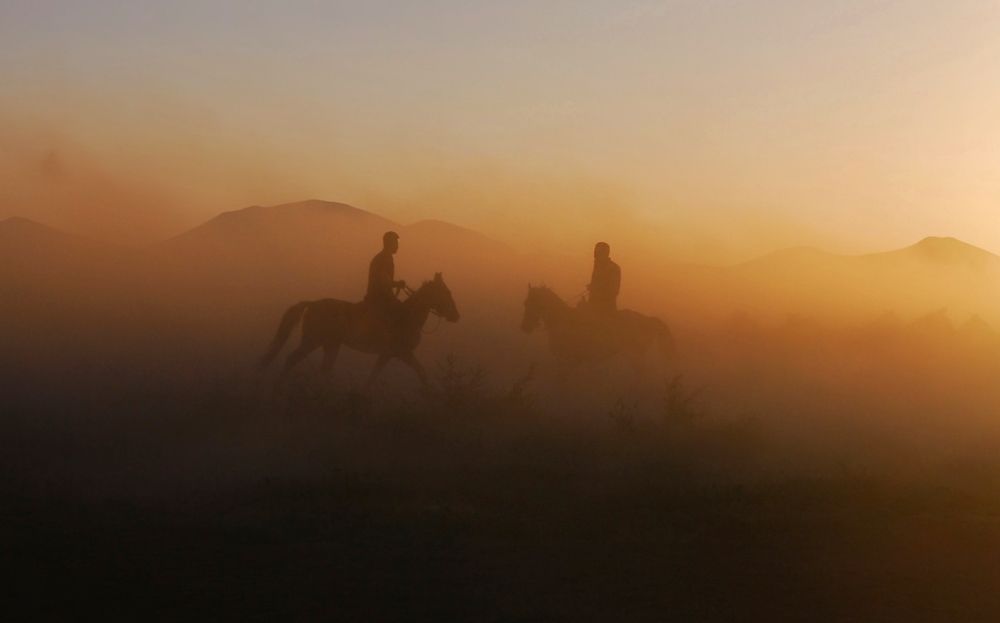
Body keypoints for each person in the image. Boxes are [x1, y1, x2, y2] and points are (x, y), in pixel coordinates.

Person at [364, 231, 407, 329]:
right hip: (378, 298)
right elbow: (383, 282)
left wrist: (396, 284)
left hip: (381, 297)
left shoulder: (384, 257)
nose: (397, 246)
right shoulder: (384, 258)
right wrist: (397, 284)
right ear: (390, 244)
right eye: (396, 243)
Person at [587, 241, 621, 315]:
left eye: (597, 253)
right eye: (595, 253)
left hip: (605, 309)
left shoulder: (613, 268)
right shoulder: (598, 266)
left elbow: (613, 291)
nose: (594, 255)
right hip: (594, 306)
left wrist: (595, 288)